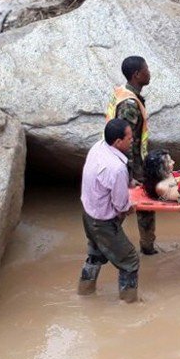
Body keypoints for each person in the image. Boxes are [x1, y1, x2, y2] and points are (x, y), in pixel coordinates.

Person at [78, 119, 139, 303]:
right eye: (129, 138)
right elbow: (121, 205)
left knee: (96, 254)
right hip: (103, 222)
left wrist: (128, 183)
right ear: (118, 142)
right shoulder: (117, 168)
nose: (133, 140)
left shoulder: (98, 147)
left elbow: (104, 180)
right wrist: (130, 208)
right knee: (130, 260)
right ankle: (129, 304)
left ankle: (84, 292)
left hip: (88, 213)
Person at [106, 56, 158, 255]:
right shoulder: (129, 103)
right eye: (146, 69)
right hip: (131, 165)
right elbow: (124, 142)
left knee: (139, 206)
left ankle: (146, 246)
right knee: (132, 205)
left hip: (133, 163)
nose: (149, 72)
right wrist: (129, 176)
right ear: (137, 75)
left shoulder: (125, 94)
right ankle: (107, 244)